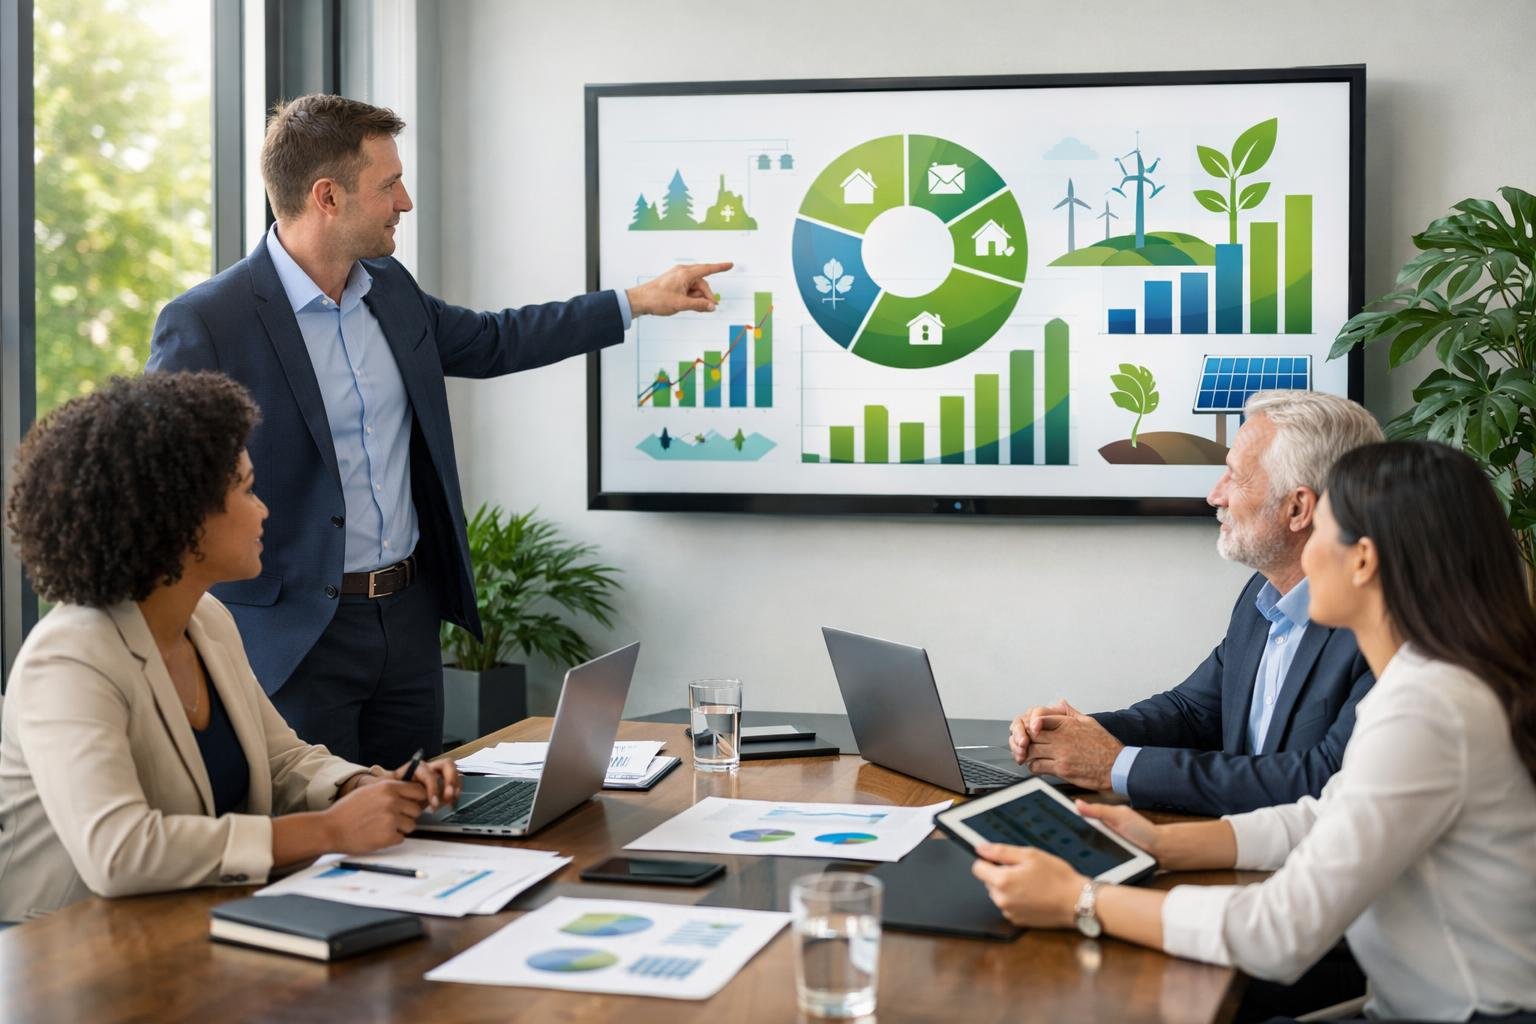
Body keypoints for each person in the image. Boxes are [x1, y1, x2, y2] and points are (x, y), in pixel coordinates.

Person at [147, 94, 730, 766]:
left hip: (407, 625)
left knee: (418, 828)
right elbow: (165, 493)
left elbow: (493, 341)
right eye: (389, 185)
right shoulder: (209, 322)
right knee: (317, 837)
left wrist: (637, 301)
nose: (406, 202)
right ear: (328, 197)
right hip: (293, 639)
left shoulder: (390, 290)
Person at [975, 440, 1536, 1021]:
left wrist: (1079, 900)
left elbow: (1278, 932)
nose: (1308, 555)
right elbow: (1325, 815)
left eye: (1322, 531)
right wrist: (1162, 844)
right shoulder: (1434, 680)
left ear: (1363, 560)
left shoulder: (1429, 708)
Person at [0, 373, 460, 923]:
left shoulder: (206, 618)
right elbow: (118, 852)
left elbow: (282, 759)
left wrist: (360, 786)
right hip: (69, 957)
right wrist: (329, 831)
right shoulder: (70, 659)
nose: (263, 509)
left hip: (189, 926)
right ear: (179, 520)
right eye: (245, 489)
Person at [1012, 390, 1384, 816]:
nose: (1215, 495)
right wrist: (1080, 734)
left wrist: (1114, 765)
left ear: (1298, 508)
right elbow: (1193, 712)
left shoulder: (1380, 621)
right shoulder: (1261, 597)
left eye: (1234, 475)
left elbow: (1318, 780)